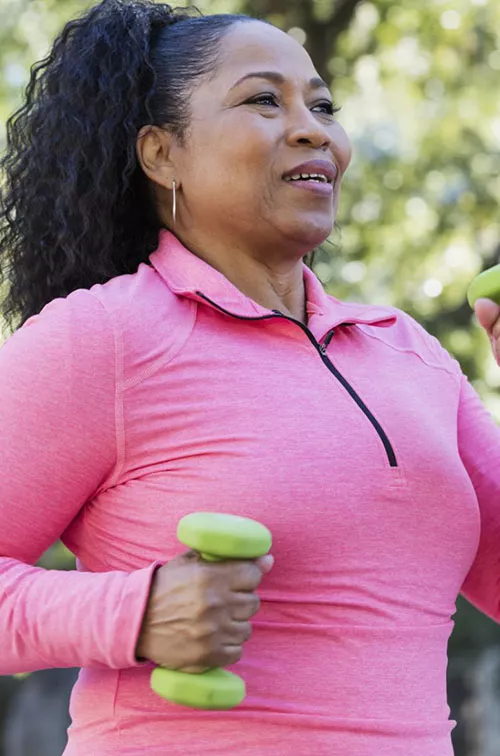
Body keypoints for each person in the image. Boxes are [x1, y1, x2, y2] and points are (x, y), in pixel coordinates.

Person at [0, 1, 499, 754]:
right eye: (264, 99)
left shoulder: (411, 354)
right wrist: (131, 611)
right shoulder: (104, 336)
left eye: (324, 105)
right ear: (162, 154)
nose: (313, 129)